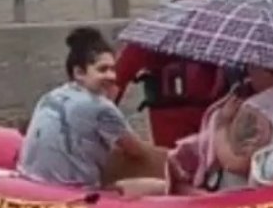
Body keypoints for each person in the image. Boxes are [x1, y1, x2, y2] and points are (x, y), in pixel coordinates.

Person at [113, 0, 232, 147]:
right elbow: (118, 78)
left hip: (214, 121)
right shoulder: (155, 29)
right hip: (169, 125)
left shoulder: (224, 25)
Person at [18, 26, 168, 190]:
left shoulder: (51, 95)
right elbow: (138, 152)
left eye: (113, 69)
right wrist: (173, 162)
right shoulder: (100, 107)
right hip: (74, 192)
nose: (111, 76)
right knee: (159, 186)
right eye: (102, 70)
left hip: (32, 184)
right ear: (79, 73)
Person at [170, 65, 273, 192]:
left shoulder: (258, 107)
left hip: (262, 194)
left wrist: (222, 124)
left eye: (250, 67)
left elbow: (234, 163)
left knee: (183, 185)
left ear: (262, 69)